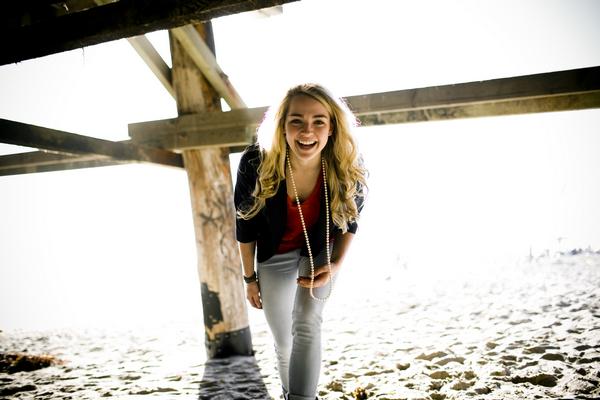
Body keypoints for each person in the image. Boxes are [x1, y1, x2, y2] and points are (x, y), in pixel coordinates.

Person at [234, 83, 367, 400]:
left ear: (331, 127)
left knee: (307, 322)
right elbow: (245, 225)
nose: (308, 131)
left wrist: (335, 264)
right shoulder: (255, 162)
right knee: (284, 341)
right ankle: (287, 393)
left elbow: (351, 219)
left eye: (318, 121)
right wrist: (249, 278)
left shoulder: (347, 162)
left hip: (320, 249)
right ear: (282, 125)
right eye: (297, 120)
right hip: (274, 252)